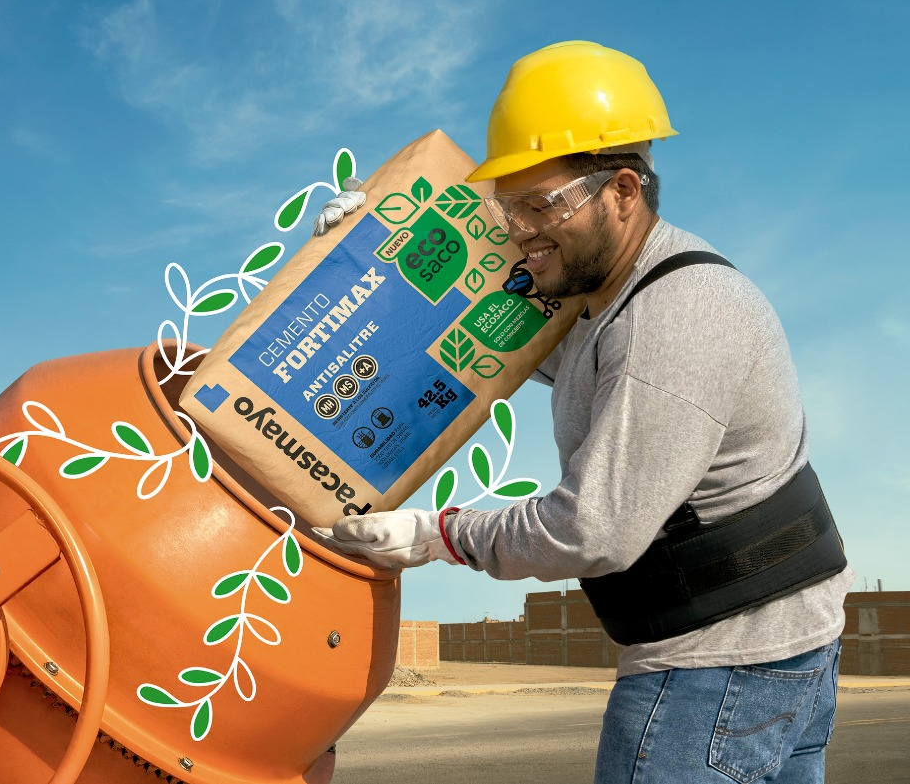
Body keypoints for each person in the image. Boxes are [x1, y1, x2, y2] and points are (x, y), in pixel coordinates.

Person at [315, 41, 853, 783]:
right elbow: (502, 341)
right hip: (773, 651)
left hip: (720, 667)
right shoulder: (609, 308)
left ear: (624, 190)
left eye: (543, 206)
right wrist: (371, 254)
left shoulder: (673, 316)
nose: (520, 230)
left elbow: (592, 528)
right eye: (510, 207)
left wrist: (436, 534)